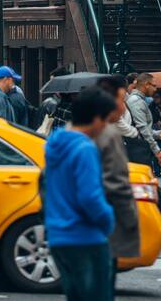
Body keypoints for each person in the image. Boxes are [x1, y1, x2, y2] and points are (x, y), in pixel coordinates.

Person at [44, 87, 117, 301]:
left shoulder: (56, 144)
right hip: (86, 237)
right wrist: (107, 220)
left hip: (59, 237)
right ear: (95, 119)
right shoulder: (85, 149)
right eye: (105, 120)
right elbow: (89, 197)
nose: (105, 126)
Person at [95, 75, 140, 290]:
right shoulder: (107, 136)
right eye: (121, 100)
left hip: (69, 231)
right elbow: (117, 184)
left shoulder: (67, 133)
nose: (124, 106)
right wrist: (130, 219)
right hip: (100, 229)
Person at [125, 73, 161, 170]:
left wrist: (158, 134)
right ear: (146, 84)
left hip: (138, 148)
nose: (155, 89)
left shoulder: (139, 100)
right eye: (153, 85)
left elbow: (144, 128)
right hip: (137, 150)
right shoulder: (136, 101)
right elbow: (143, 129)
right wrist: (157, 151)